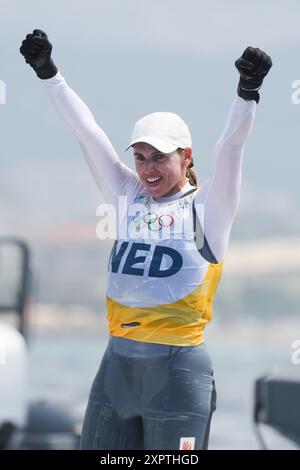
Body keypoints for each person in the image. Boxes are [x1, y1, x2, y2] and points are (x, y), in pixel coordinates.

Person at [20, 30, 272, 450]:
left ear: (186, 156)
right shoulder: (126, 195)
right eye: (140, 157)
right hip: (115, 371)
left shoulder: (209, 207)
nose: (148, 169)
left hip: (179, 375)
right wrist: (49, 74)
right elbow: (86, 131)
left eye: (160, 157)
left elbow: (230, 148)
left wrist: (247, 93)